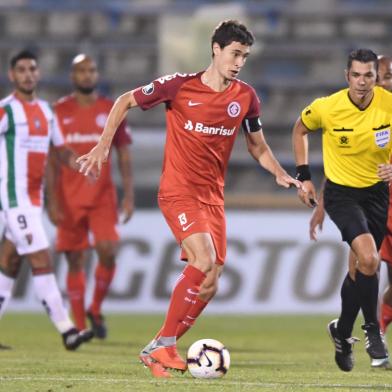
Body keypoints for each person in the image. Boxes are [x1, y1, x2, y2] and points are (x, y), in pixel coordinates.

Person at [77, 20, 301, 378]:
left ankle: (156, 347)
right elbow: (124, 101)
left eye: (244, 55)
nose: (239, 61)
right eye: (235, 53)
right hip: (178, 191)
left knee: (210, 281)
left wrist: (278, 172)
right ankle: (166, 343)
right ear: (215, 49)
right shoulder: (178, 86)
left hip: (213, 198)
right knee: (203, 258)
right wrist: (103, 146)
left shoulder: (246, 97)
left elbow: (257, 145)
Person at [293, 48, 392, 372]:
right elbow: (300, 130)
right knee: (369, 259)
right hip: (341, 195)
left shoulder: (388, 105)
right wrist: (305, 177)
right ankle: (373, 332)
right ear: (346, 76)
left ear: (377, 78)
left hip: (377, 196)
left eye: (369, 76)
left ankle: (342, 330)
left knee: (359, 271)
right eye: (356, 75)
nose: (362, 82)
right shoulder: (328, 108)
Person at [0, 50, 93, 350]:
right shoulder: (6, 111)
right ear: (12, 75)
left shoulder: (46, 111)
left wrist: (79, 162)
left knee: (10, 262)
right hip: (13, 197)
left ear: (38, 74)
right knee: (41, 257)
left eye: (32, 69)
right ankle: (67, 330)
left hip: (33, 199)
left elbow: (60, 149)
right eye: (22, 70)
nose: (28, 74)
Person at [47, 54, 133, 339]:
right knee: (75, 260)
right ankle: (81, 324)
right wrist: (52, 199)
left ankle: (95, 308)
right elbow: (51, 158)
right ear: (72, 76)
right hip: (68, 196)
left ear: (97, 75)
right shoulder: (58, 111)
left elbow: (123, 153)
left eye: (91, 70)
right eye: (81, 71)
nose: (87, 75)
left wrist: (129, 195)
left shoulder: (111, 108)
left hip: (102, 197)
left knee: (108, 252)